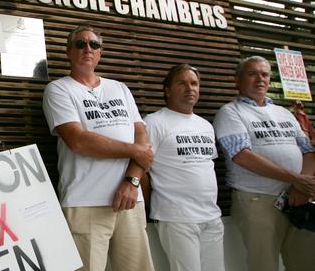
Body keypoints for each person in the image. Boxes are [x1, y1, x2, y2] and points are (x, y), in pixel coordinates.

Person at [42, 25, 155, 271]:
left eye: (94, 44)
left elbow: (142, 137)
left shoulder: (120, 88)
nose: (88, 49)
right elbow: (78, 141)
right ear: (69, 52)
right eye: (80, 44)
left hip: (129, 201)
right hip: (85, 202)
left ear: (100, 53)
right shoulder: (59, 89)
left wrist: (132, 182)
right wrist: (134, 150)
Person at [213, 56, 315, 271]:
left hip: (297, 198)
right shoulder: (230, 112)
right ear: (237, 81)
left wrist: (300, 185)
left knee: (305, 262)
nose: (260, 79)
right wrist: (295, 179)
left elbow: (308, 151)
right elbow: (242, 155)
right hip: (257, 199)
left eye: (265, 74)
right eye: (252, 74)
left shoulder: (284, 113)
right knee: (264, 265)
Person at [143, 64, 224, 271]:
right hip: (177, 217)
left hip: (211, 216)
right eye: (182, 83)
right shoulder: (153, 123)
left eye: (194, 83)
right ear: (167, 90)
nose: (190, 89)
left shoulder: (205, 125)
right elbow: (141, 167)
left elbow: (207, 167)